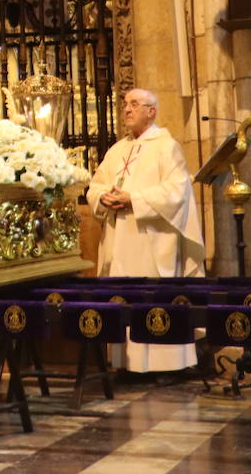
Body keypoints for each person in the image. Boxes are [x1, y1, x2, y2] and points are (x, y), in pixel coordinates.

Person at [87, 88, 205, 373]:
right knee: (123, 298)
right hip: (120, 239)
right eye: (125, 104)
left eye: (135, 104)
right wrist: (103, 197)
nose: (127, 109)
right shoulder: (116, 150)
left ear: (152, 111)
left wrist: (133, 199)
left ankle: (165, 367)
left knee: (153, 299)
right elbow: (96, 184)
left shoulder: (166, 147)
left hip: (152, 239)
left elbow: (178, 191)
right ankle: (127, 364)